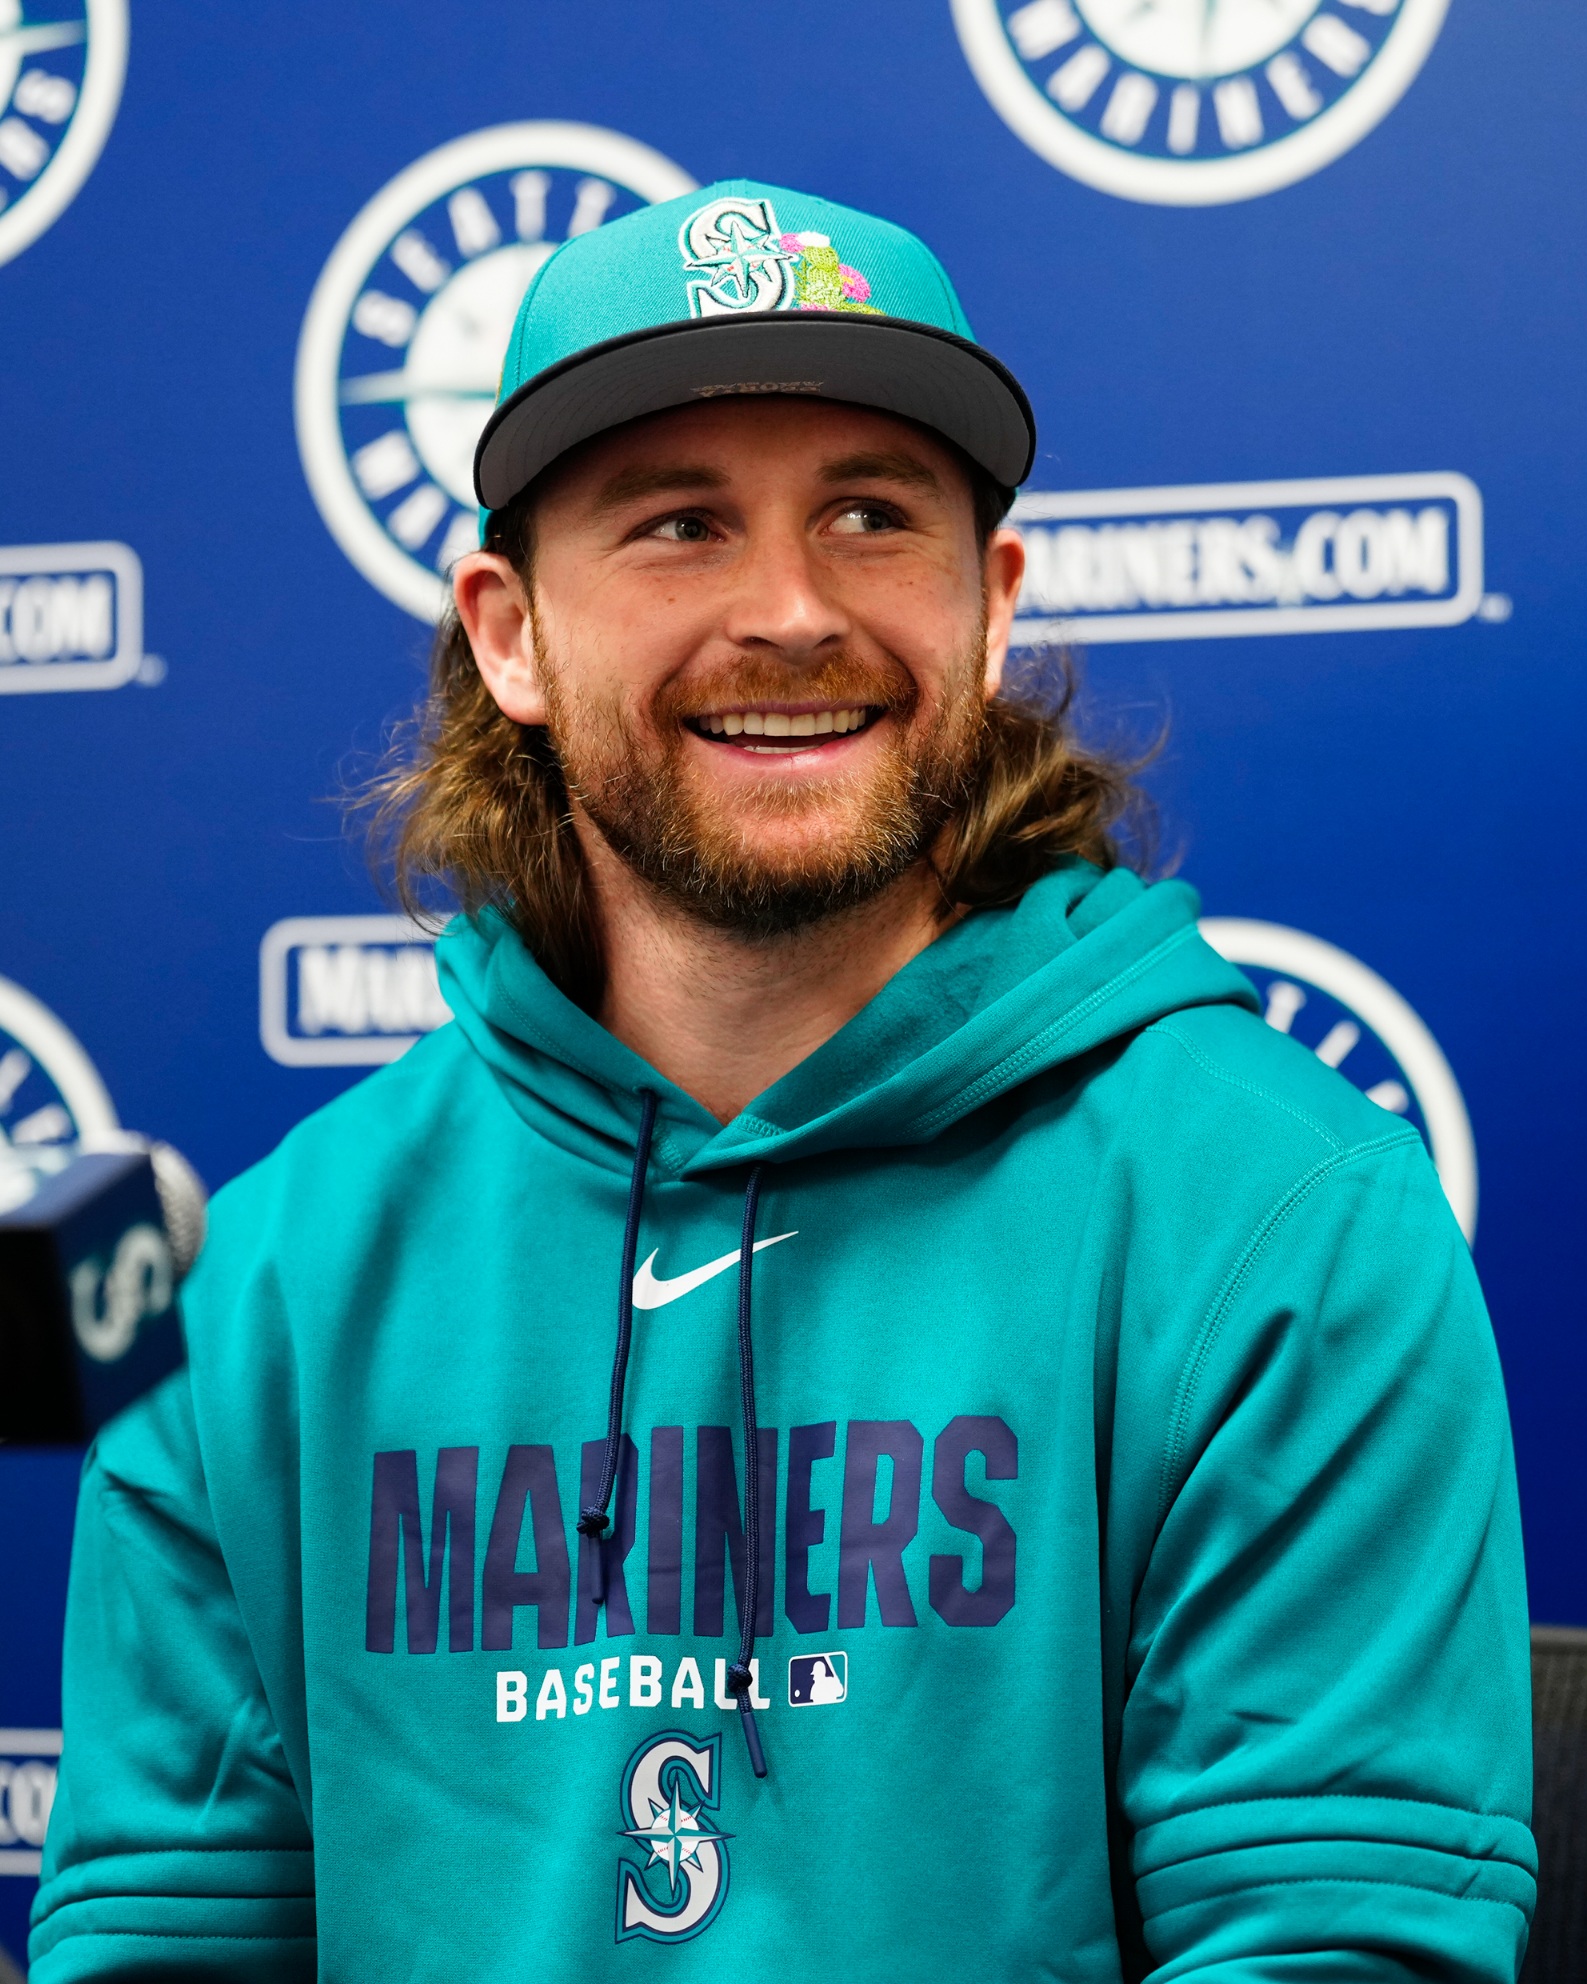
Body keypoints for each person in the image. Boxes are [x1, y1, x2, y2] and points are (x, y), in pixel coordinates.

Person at [30, 181, 1534, 1981]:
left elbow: (1333, 1948)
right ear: (511, 633)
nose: (793, 610)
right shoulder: (254, 1302)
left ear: (990, 605)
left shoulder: (1281, 1221)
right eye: (679, 525)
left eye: (870, 515)